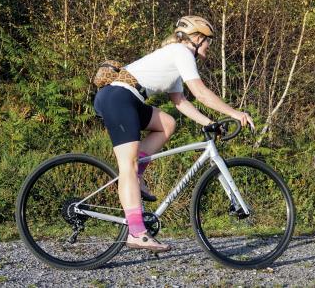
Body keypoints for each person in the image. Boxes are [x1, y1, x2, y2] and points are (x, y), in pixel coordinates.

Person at [93, 15, 255, 252]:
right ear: (197, 39)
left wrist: (210, 122)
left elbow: (180, 101)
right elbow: (199, 92)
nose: (209, 46)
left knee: (167, 123)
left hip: (129, 99)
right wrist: (234, 113)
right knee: (126, 165)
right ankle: (137, 232)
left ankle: (136, 174)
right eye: (209, 41)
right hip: (119, 98)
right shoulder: (181, 52)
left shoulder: (176, 57)